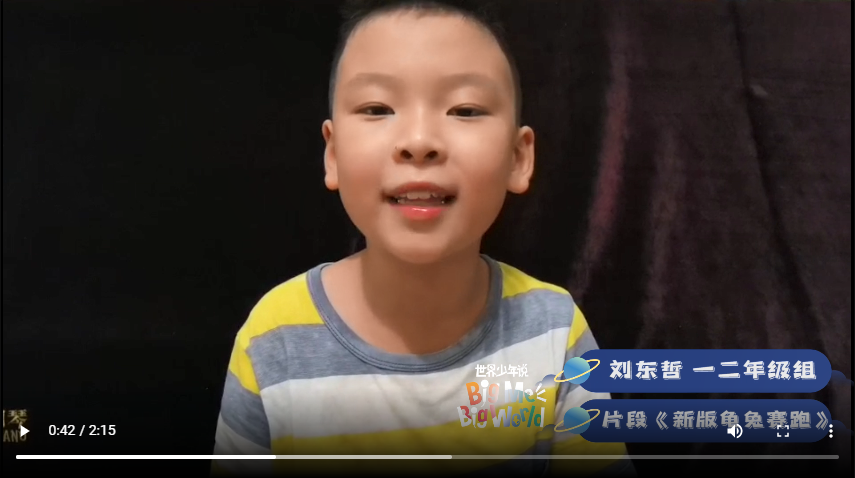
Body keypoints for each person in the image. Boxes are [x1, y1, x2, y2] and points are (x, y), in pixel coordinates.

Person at [213, 0, 632, 475]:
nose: (418, 141)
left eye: (465, 110)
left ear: (518, 158)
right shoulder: (274, 339)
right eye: (377, 108)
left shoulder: (555, 332)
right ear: (332, 154)